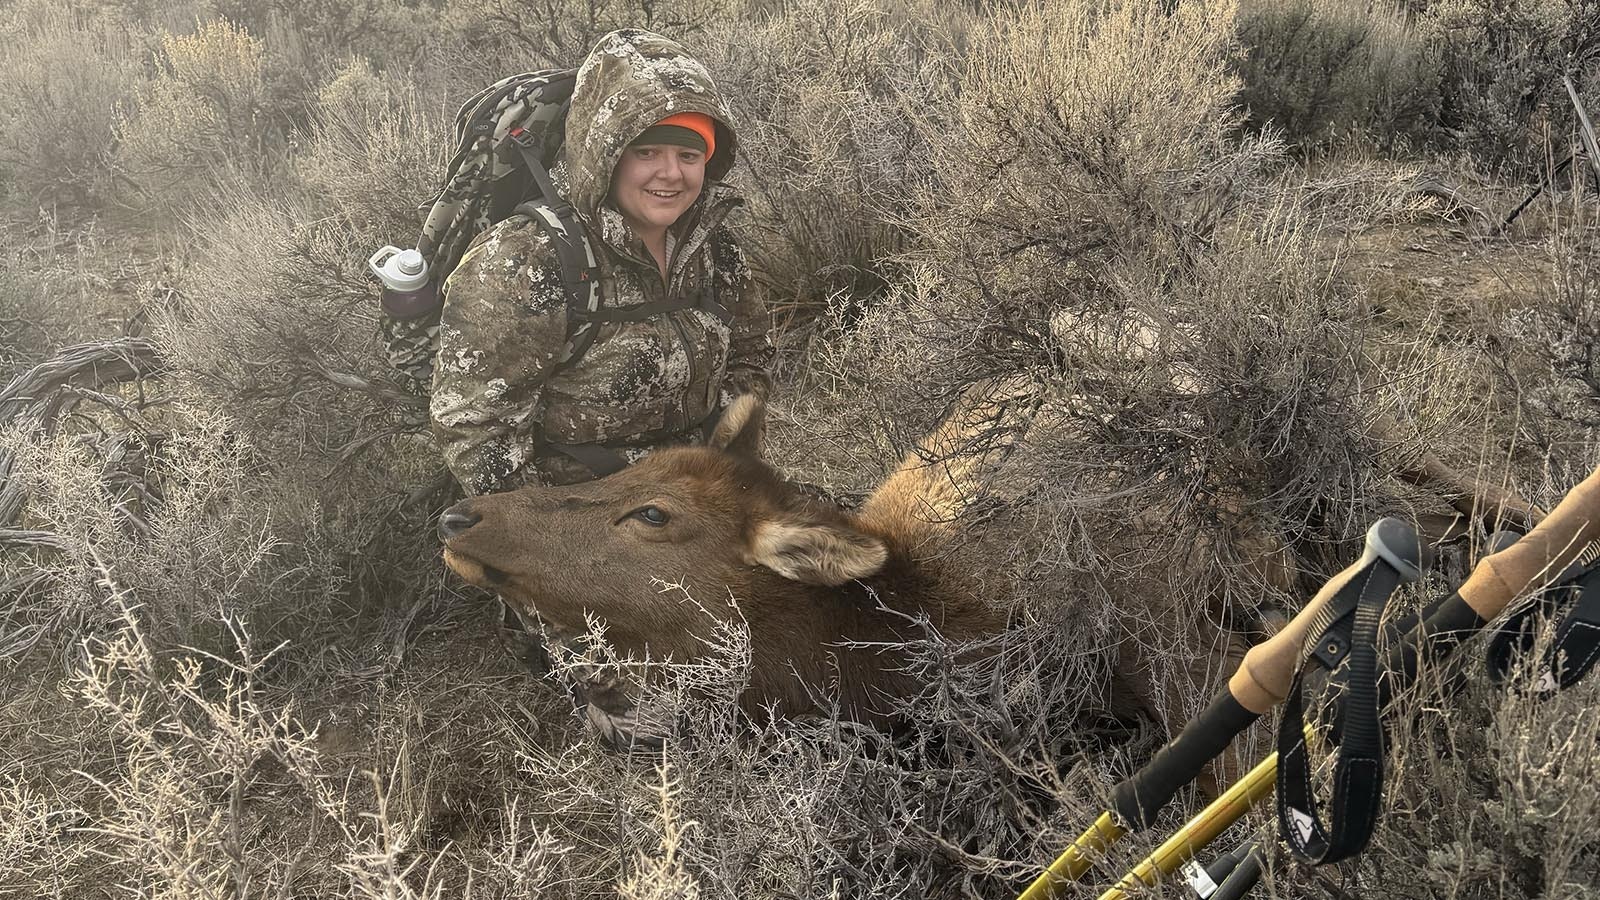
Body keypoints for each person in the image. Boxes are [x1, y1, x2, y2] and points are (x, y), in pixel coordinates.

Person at [429, 29, 773, 745]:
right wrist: (547, 573)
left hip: (683, 508)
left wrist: (727, 479)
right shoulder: (525, 260)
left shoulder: (715, 248)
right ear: (605, 152)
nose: (671, 174)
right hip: (574, 524)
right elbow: (478, 432)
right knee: (650, 730)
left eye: (690, 154)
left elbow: (750, 358)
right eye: (648, 150)